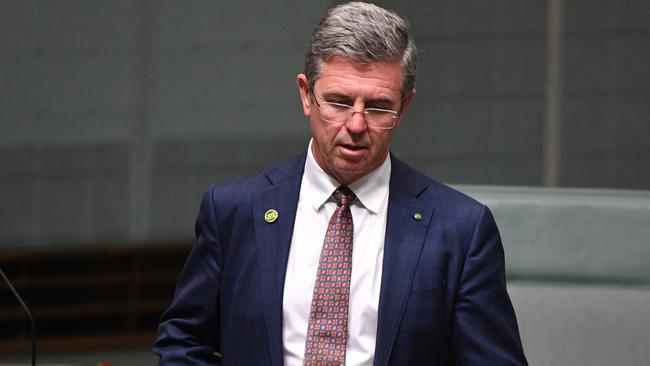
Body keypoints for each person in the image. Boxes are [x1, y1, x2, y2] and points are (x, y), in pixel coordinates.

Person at [154, 2, 527, 365]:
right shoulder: (234, 210)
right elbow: (184, 341)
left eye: (378, 107)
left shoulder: (460, 230)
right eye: (339, 102)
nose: (356, 125)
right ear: (306, 95)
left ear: (405, 106)